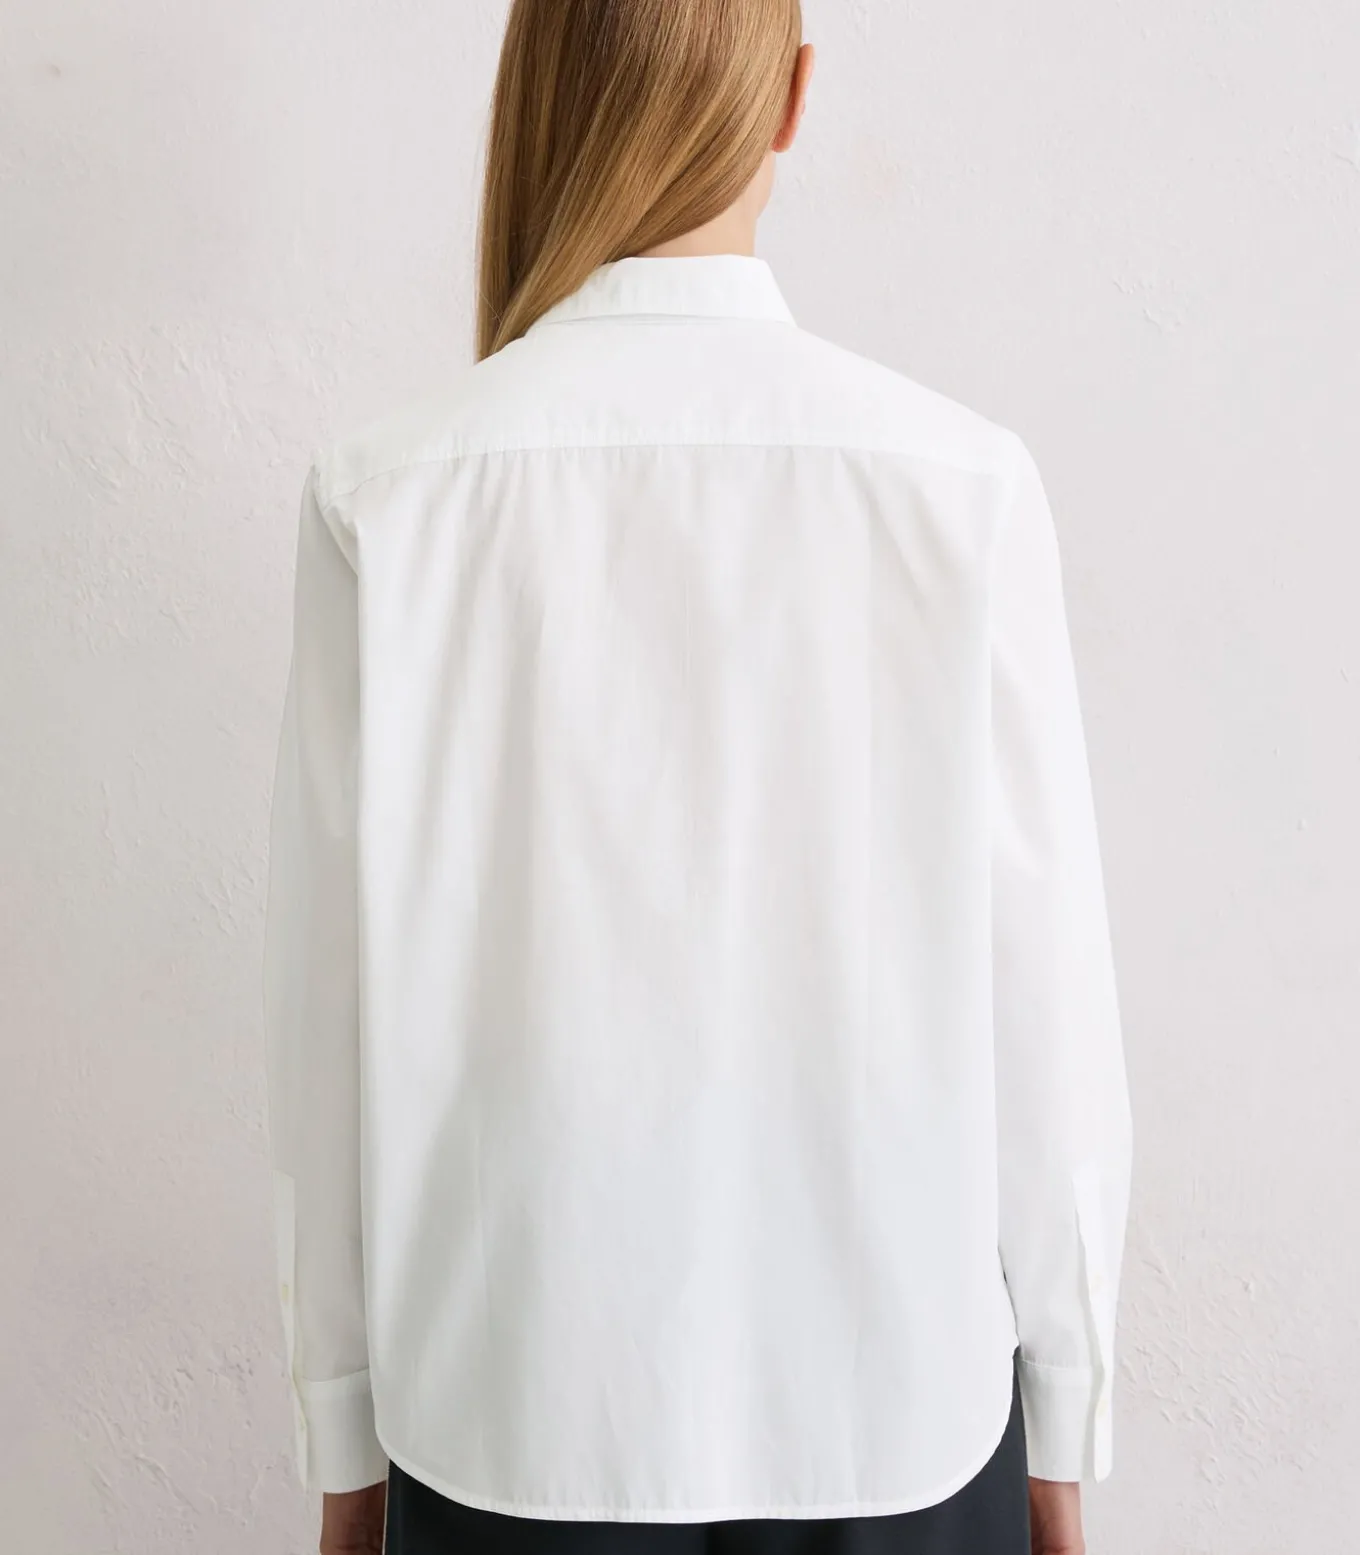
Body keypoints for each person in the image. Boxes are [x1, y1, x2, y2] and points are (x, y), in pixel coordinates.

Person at [262, 2, 1134, 1552]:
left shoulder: (387, 497)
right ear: (792, 98)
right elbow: (1044, 1008)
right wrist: (1062, 1422)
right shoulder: (962, 486)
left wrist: (343, 1432)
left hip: (511, 1418)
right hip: (901, 1416)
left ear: (538, 97)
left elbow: (326, 1021)